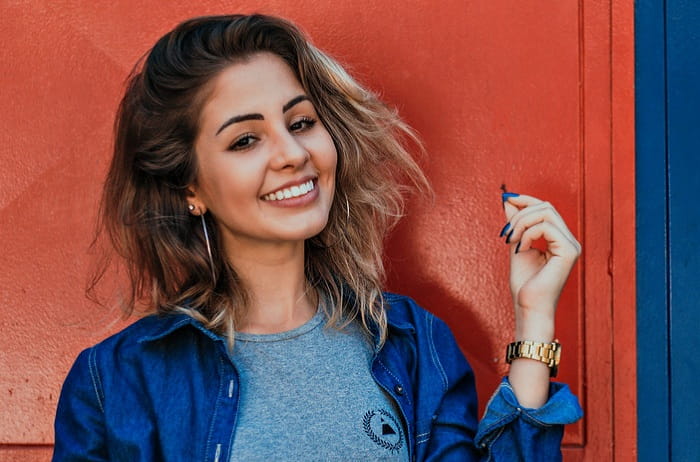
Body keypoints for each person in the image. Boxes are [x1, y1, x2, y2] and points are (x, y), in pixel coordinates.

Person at [53, 14, 583, 462]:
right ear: (190, 187)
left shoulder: (414, 345)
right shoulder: (117, 384)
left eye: (301, 122)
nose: (291, 153)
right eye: (245, 140)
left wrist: (532, 319)